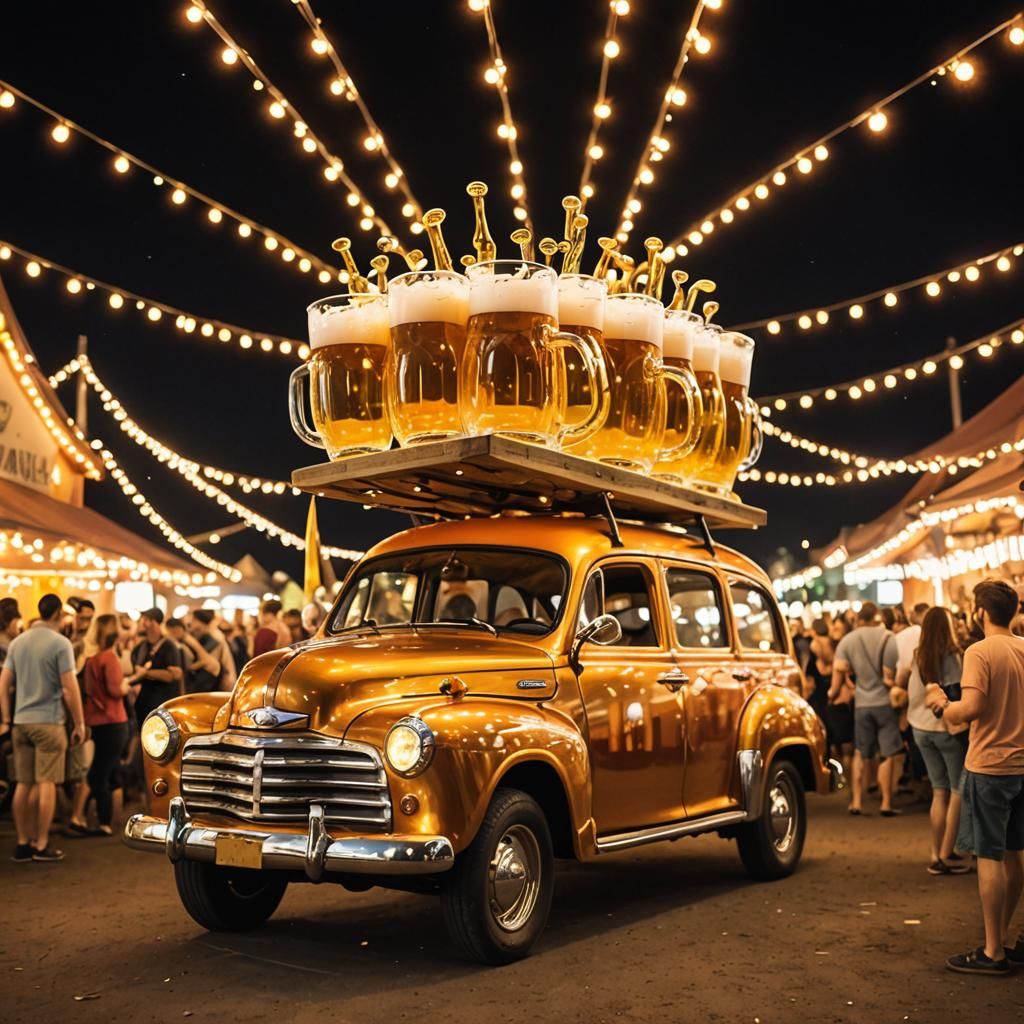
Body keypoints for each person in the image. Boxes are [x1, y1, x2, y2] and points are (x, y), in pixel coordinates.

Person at [926, 579, 1024, 975]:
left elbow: (970, 709)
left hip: (990, 767)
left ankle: (993, 952)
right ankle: (1002, 936)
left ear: (981, 612)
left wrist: (940, 705)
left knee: (989, 856)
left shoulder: (979, 651)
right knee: (1017, 856)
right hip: (1022, 765)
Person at [0, 593, 86, 862]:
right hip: (48, 721)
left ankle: (23, 843)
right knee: (46, 783)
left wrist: (6, 717)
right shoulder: (61, 644)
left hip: (21, 722)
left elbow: (3, 684)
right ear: (59, 614)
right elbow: (70, 688)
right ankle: (42, 843)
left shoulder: (18, 642)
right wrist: (80, 722)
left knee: (23, 784)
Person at [906, 607, 969, 875]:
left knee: (939, 789)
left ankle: (936, 852)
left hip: (920, 728)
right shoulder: (952, 656)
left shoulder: (918, 655)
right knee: (958, 789)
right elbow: (955, 694)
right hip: (947, 730)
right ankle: (946, 854)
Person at [829, 602, 901, 816]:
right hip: (885, 703)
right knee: (887, 754)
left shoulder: (847, 641)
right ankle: (886, 803)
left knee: (860, 751)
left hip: (861, 703)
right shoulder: (889, 638)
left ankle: (857, 802)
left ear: (859, 619)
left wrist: (831, 695)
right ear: (876, 617)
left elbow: (838, 676)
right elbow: (891, 675)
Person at [83, 614, 140, 835]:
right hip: (114, 721)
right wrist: (130, 682)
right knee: (103, 773)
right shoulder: (109, 658)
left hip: (98, 721)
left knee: (102, 771)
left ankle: (105, 819)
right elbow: (116, 690)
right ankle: (106, 822)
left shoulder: (92, 659)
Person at [130, 608, 183, 725]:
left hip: (163, 703)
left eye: (145, 619)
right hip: (145, 702)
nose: (142, 623)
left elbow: (171, 676)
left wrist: (146, 673)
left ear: (152, 622)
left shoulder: (169, 646)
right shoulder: (142, 646)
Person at [187, 609, 237, 692]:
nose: (191, 623)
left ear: (200, 621)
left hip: (223, 681)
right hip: (218, 678)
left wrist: (189, 668)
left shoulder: (214, 636)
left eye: (193, 619)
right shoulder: (209, 634)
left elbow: (208, 661)